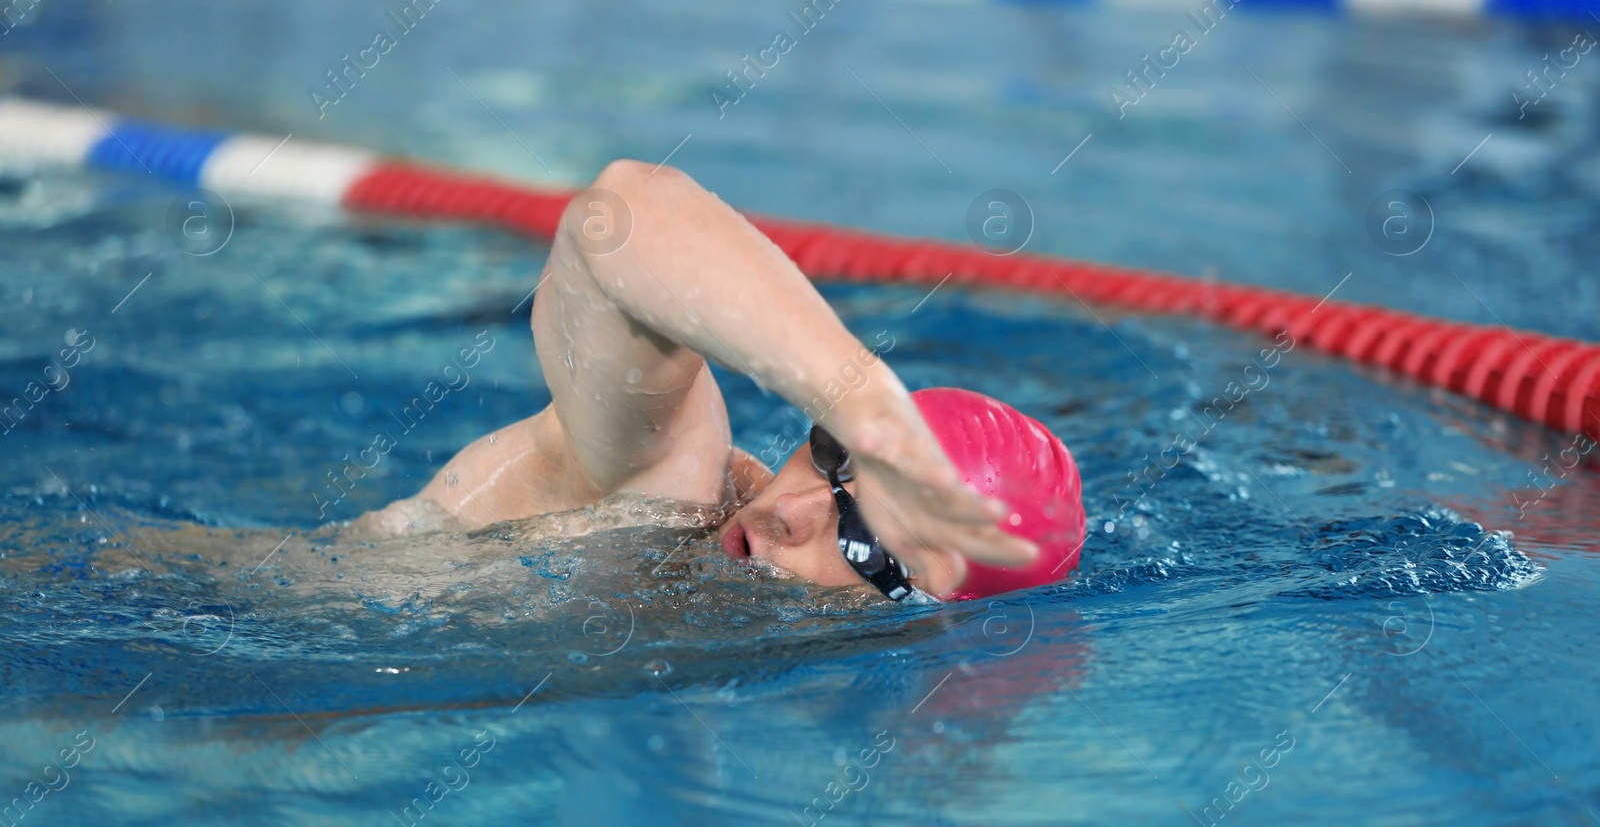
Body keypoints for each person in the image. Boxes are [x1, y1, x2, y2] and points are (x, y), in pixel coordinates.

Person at [361, 160, 1086, 602]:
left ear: (928, 611)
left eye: (864, 542)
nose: (789, 510)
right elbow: (616, 210)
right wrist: (859, 397)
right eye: (833, 454)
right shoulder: (669, 486)